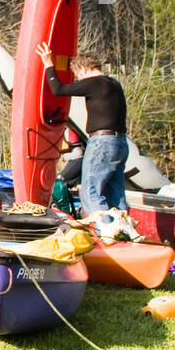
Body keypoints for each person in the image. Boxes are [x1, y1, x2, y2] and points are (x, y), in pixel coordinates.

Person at [35, 42, 139, 238]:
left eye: (78, 75)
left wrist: (48, 63)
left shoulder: (94, 82)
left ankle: (105, 234)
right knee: (116, 193)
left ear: (83, 69)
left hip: (102, 143)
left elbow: (58, 89)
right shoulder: (114, 84)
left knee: (91, 191)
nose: (79, 80)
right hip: (120, 144)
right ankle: (126, 234)